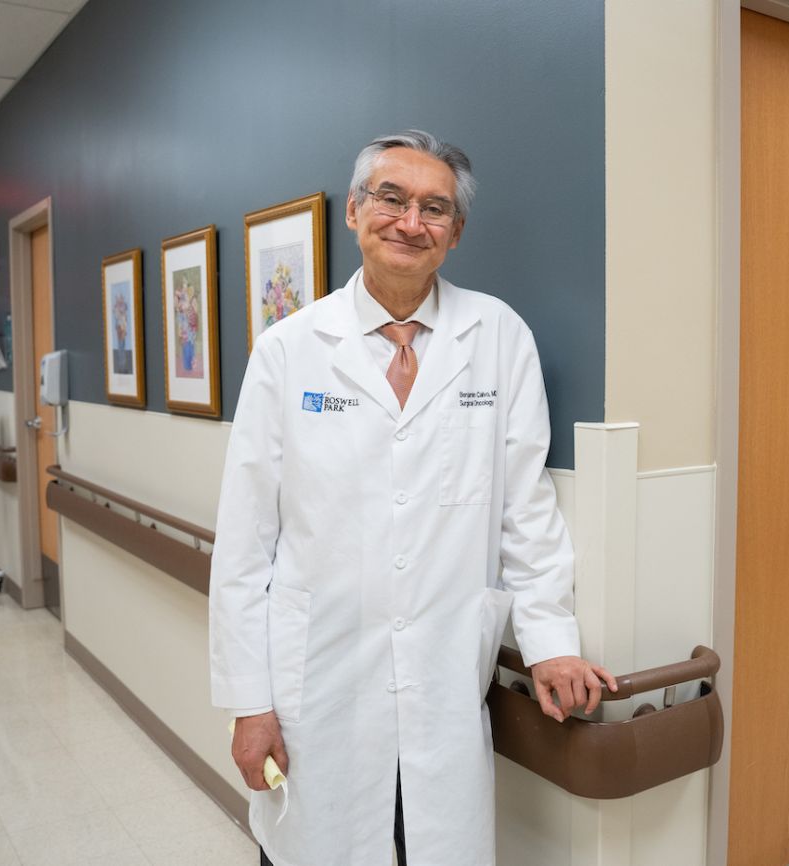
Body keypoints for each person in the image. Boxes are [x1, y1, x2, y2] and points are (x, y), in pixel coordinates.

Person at [209, 130, 616, 866]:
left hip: (442, 679)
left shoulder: (498, 337)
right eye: (391, 199)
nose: (411, 221)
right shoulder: (289, 351)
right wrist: (250, 704)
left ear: (455, 234)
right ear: (356, 213)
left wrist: (553, 644)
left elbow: (525, 511)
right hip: (318, 685)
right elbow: (243, 549)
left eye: (435, 208)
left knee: (431, 843)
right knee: (316, 846)